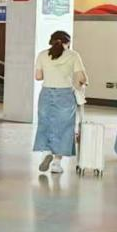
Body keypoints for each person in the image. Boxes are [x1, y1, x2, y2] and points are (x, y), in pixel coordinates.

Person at [33, 31, 87, 175]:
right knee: (64, 128)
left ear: (51, 41)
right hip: (65, 94)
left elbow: (38, 76)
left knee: (45, 124)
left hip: (46, 94)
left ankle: (46, 153)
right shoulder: (73, 55)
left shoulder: (42, 55)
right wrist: (83, 83)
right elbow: (81, 78)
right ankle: (56, 164)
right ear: (67, 43)